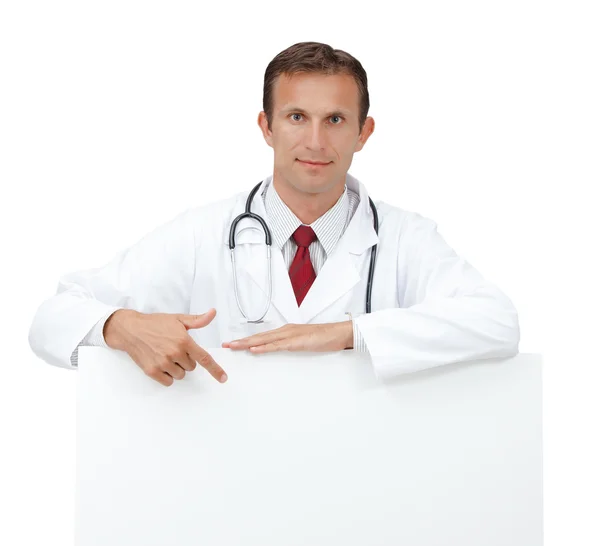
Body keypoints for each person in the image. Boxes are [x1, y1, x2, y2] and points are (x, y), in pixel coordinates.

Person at [28, 41, 520, 386]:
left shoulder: (405, 238)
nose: (315, 142)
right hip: (230, 489)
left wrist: (349, 335)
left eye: (335, 120)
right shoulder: (203, 234)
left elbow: (498, 324)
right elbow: (52, 320)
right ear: (266, 126)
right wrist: (119, 325)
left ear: (364, 132)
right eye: (296, 117)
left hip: (367, 490)